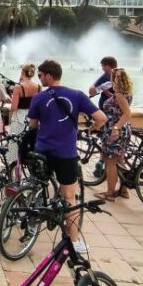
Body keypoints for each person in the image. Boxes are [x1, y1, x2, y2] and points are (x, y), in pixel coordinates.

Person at [27, 59, 106, 253]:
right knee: (70, 197)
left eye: (41, 75)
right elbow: (101, 118)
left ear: (49, 76)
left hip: (42, 150)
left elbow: (32, 126)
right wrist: (91, 129)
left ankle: (32, 218)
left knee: (36, 185)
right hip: (65, 153)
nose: (39, 79)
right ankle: (75, 242)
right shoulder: (77, 96)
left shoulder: (39, 98)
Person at [94, 68, 133, 202]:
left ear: (114, 79)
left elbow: (127, 113)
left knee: (110, 162)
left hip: (114, 131)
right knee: (120, 160)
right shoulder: (124, 93)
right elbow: (119, 106)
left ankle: (110, 193)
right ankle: (123, 190)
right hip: (123, 130)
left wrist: (116, 128)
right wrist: (109, 94)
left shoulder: (120, 95)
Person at [8, 63, 40, 133]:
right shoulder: (38, 87)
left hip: (19, 119)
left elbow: (13, 108)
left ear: (22, 72)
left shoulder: (18, 87)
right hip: (31, 119)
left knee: (14, 142)